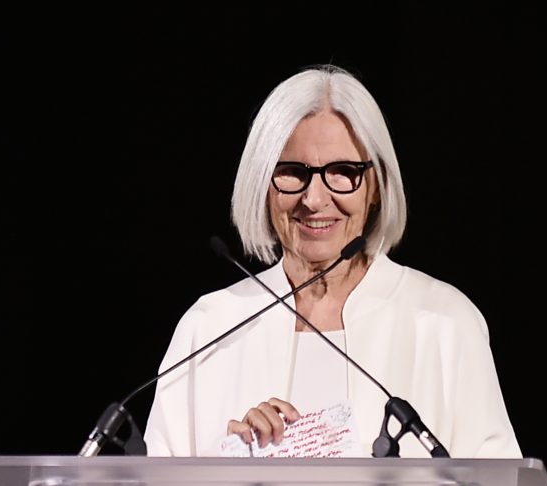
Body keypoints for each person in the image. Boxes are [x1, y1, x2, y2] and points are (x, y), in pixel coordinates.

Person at [143, 64, 521, 459]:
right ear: (263, 186)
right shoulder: (208, 328)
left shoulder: (444, 321)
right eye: (293, 173)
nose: (314, 199)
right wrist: (230, 465)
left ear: (375, 187)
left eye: (342, 172)